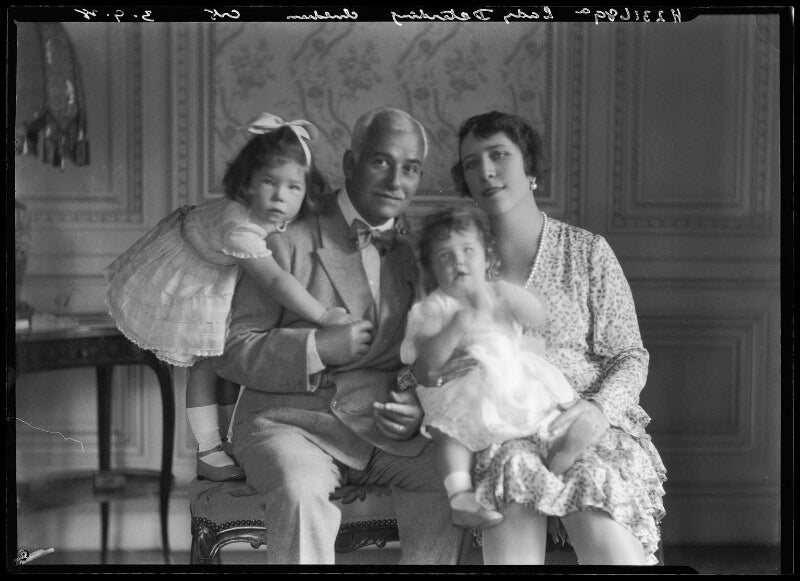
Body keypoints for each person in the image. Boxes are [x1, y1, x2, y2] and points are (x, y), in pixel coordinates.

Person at [212, 107, 464, 564]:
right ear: (350, 164)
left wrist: (415, 405)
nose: (396, 181)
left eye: (410, 169)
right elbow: (231, 349)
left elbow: (423, 353)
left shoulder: (416, 254)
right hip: (288, 424)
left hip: (380, 426)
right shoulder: (282, 234)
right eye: (380, 161)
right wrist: (317, 348)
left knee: (451, 478)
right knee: (300, 491)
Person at [413, 111, 667, 566]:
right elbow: (425, 357)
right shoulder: (458, 265)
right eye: (471, 163)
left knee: (597, 511)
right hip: (498, 427)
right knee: (512, 496)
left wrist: (598, 410)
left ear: (530, 167)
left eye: (499, 155)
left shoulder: (586, 251)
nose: (486, 171)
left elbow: (629, 354)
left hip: (581, 417)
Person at [105, 113, 356, 482]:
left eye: (293, 187)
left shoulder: (277, 216)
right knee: (206, 363)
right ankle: (207, 450)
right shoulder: (240, 226)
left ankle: (228, 440)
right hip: (193, 272)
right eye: (268, 182)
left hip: (222, 268)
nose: (280, 196)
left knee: (227, 361)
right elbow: (275, 281)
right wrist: (323, 315)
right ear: (248, 183)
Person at [400, 206, 579, 530]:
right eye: (444, 255)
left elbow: (539, 318)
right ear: (431, 268)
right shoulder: (435, 306)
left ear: (487, 258)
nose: (458, 261)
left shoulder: (498, 292)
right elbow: (428, 361)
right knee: (452, 435)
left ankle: (561, 450)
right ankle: (460, 496)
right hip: (461, 388)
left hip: (509, 378)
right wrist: (456, 325)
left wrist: (508, 295)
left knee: (543, 413)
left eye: (468, 250)